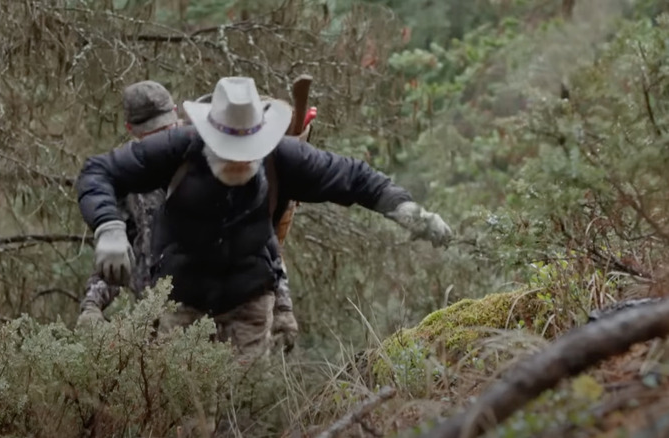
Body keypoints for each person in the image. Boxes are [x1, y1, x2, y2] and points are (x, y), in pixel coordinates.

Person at [75, 76, 453, 363]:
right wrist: (108, 226)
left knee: (244, 409)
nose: (241, 159)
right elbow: (98, 174)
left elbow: (354, 178)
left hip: (250, 302)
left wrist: (407, 210)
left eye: (248, 150)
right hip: (180, 303)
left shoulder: (282, 156)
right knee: (182, 414)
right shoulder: (176, 150)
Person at [76, 80, 180, 327]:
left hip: (209, 314)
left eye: (165, 128)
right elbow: (120, 258)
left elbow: (259, 237)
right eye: (151, 133)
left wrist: (281, 305)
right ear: (130, 129)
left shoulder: (204, 158)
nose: (160, 141)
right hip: (153, 318)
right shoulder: (126, 175)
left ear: (176, 113)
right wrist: (92, 304)